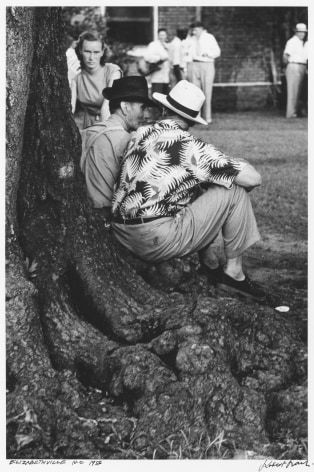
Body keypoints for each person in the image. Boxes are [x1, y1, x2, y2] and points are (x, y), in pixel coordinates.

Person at [111, 80, 266, 301]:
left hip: (120, 232)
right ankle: (234, 272)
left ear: (164, 109)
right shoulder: (190, 146)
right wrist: (231, 164)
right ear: (192, 120)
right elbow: (253, 178)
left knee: (193, 185)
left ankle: (210, 261)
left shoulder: (141, 132)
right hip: (153, 239)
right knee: (233, 189)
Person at [80, 76, 157, 220]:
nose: (145, 115)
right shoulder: (128, 139)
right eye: (142, 108)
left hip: (81, 214)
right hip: (107, 218)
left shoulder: (86, 132)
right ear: (125, 106)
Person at [69, 30, 123, 128]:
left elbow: (106, 106)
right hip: (88, 124)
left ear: (102, 52)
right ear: (80, 50)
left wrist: (103, 132)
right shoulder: (77, 75)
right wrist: (70, 78)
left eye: (96, 52)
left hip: (110, 123)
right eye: (87, 52)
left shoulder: (113, 71)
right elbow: (70, 110)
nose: (91, 57)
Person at [188, 21, 221, 124]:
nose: (194, 32)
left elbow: (217, 52)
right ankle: (196, 117)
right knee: (195, 93)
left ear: (201, 29)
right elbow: (187, 52)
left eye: (196, 29)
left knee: (207, 91)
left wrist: (208, 54)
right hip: (194, 65)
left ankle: (207, 117)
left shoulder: (209, 37)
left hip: (207, 64)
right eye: (193, 30)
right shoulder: (191, 39)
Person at [282, 23, 308, 118]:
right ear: (296, 32)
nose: (302, 34)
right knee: (293, 90)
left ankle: (297, 111)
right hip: (294, 65)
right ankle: (290, 113)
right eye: (300, 32)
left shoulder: (304, 43)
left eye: (303, 32)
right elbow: (285, 56)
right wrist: (286, 66)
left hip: (303, 66)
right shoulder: (292, 42)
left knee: (300, 91)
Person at [144, 28, 170, 95]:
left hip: (167, 76)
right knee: (157, 95)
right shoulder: (153, 45)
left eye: (163, 35)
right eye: (160, 35)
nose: (161, 37)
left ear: (166, 36)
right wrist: (159, 58)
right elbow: (147, 57)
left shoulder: (168, 46)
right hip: (157, 75)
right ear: (158, 35)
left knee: (165, 96)